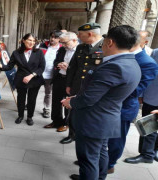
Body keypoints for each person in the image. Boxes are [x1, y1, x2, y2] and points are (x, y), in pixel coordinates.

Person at [62, 25, 141, 180]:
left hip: (93, 120)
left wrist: (71, 102)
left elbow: (89, 98)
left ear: (109, 42)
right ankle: (100, 177)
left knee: (88, 159)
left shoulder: (113, 66)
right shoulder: (131, 62)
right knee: (100, 152)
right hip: (107, 118)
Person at [107, 31, 158, 173]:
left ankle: (109, 165)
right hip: (108, 106)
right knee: (104, 136)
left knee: (116, 138)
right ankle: (98, 160)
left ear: (143, 42)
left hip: (124, 106)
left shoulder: (147, 63)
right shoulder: (118, 55)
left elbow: (135, 90)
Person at [58, 22, 104, 144]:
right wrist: (69, 84)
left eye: (80, 34)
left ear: (90, 34)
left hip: (92, 88)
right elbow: (73, 67)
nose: (78, 37)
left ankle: (83, 137)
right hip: (77, 85)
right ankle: (71, 134)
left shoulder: (105, 47)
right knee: (71, 111)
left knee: (88, 114)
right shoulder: (81, 47)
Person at [0, 33, 45, 126]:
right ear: (23, 40)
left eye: (33, 41)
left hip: (35, 78)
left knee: (32, 99)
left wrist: (31, 75)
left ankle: (29, 117)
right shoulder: (16, 53)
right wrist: (0, 65)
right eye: (29, 40)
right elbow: (9, 66)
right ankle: (20, 116)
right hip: (21, 79)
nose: (32, 42)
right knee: (21, 99)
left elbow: (42, 67)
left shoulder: (39, 52)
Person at [124, 48, 158, 164]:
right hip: (152, 97)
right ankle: (147, 153)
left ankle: (152, 152)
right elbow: (148, 76)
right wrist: (142, 94)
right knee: (149, 126)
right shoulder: (156, 52)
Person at [44, 32, 79, 133]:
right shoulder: (62, 49)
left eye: (65, 43)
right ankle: (56, 121)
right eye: (62, 43)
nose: (63, 45)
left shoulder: (80, 50)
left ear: (74, 40)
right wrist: (59, 64)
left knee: (67, 102)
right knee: (56, 101)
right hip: (59, 77)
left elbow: (81, 68)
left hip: (71, 80)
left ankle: (66, 123)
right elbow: (55, 61)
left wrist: (69, 67)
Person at [39, 30, 62, 118]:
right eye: (51, 36)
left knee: (48, 93)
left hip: (50, 75)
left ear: (59, 39)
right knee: (32, 91)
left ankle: (46, 108)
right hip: (39, 74)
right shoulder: (42, 46)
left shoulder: (61, 49)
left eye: (55, 37)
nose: (52, 39)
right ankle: (29, 104)